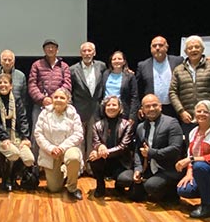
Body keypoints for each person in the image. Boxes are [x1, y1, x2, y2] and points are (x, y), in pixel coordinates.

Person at [116, 94, 184, 203]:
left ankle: (170, 191)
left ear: (160, 107)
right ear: (142, 110)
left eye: (154, 105)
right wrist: (138, 169)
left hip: (166, 169)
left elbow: (175, 149)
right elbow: (138, 151)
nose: (151, 109)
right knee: (125, 182)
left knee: (152, 186)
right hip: (147, 169)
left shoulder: (172, 123)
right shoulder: (140, 127)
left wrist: (151, 153)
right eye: (147, 106)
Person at [169, 35, 210, 137]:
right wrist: (181, 111)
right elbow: (172, 92)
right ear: (186, 51)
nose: (193, 50)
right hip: (188, 118)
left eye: (197, 47)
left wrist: (209, 110)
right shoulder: (178, 70)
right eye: (190, 48)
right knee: (192, 149)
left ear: (203, 49)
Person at [0, 73, 35, 191]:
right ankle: (7, 179)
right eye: (0, 83)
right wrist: (4, 137)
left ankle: (13, 177)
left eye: (5, 82)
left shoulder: (17, 99)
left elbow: (23, 119)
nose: (3, 85)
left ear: (11, 86)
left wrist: (25, 138)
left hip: (15, 134)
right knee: (14, 154)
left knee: (29, 159)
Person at [34, 88, 84, 200]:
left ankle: (72, 187)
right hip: (51, 152)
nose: (58, 100)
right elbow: (38, 134)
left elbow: (78, 134)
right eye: (56, 97)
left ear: (68, 100)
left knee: (74, 158)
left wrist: (61, 148)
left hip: (68, 149)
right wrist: (51, 148)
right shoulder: (44, 113)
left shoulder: (73, 114)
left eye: (62, 98)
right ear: (52, 99)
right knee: (54, 189)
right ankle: (63, 172)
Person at [28, 39, 72, 158]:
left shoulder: (64, 66)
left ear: (57, 49)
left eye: (53, 47)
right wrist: (42, 98)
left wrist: (55, 98)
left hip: (59, 106)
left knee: (59, 133)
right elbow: (32, 84)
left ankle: (58, 164)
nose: (50, 49)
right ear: (44, 49)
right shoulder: (37, 65)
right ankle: (34, 167)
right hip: (40, 105)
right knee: (36, 133)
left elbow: (67, 84)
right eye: (48, 47)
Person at [69, 42, 107, 174]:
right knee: (78, 139)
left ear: (94, 53)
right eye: (84, 51)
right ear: (80, 53)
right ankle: (78, 168)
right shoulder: (73, 69)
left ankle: (91, 167)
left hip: (96, 108)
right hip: (79, 108)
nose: (87, 53)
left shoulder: (101, 66)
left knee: (93, 139)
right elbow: (70, 89)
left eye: (89, 51)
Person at [88, 96, 134, 198]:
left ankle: (119, 185)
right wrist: (99, 147)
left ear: (120, 108)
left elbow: (123, 147)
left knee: (126, 180)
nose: (111, 107)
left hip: (122, 162)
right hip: (103, 161)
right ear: (104, 108)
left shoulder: (127, 125)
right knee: (93, 157)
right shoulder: (97, 125)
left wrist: (103, 151)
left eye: (114, 105)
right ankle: (100, 185)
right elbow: (96, 142)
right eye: (108, 105)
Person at [135, 36, 183, 117]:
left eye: (160, 45)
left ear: (166, 47)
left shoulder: (178, 61)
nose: (157, 48)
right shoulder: (143, 65)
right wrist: (140, 107)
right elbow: (138, 89)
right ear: (150, 49)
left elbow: (192, 63)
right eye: (154, 46)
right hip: (151, 108)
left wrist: (209, 59)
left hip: (173, 107)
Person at [101, 50, 139, 126]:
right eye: (114, 59)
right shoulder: (105, 74)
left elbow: (134, 97)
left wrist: (132, 116)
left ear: (124, 61)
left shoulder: (130, 76)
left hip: (123, 112)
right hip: (107, 110)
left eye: (119, 59)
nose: (116, 61)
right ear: (111, 62)